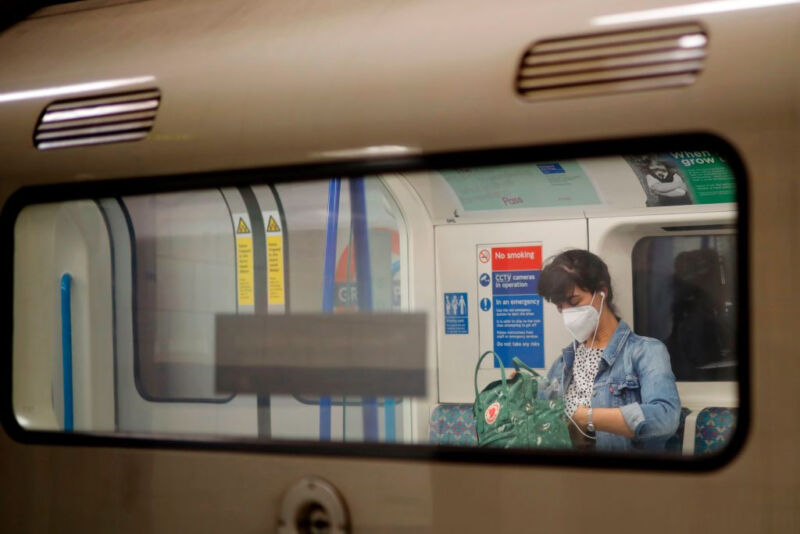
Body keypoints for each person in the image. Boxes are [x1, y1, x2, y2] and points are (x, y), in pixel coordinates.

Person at [537, 249, 681, 452]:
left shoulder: (645, 352)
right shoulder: (562, 364)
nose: (567, 312)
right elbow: (542, 424)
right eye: (560, 306)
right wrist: (519, 394)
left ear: (602, 292)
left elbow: (665, 418)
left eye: (574, 301)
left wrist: (584, 416)